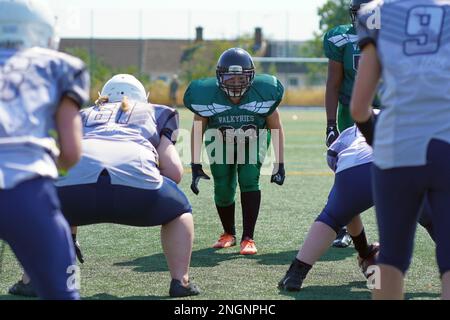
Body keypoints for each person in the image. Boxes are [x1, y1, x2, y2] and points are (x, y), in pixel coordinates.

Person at [9, 74, 200, 298]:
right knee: (180, 212)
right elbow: (174, 172)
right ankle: (181, 282)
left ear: (103, 97)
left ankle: (31, 279)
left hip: (75, 191)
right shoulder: (158, 112)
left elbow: (59, 162)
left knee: (45, 207)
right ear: (142, 98)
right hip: (136, 187)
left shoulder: (82, 114)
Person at [351, 0, 450, 299]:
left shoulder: (375, 13)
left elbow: (358, 107)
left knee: (391, 257)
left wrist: (376, 141)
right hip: (446, 145)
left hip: (396, 149)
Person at [0, 0, 90, 299]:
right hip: (26, 188)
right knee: (60, 292)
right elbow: (72, 150)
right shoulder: (60, 66)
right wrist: (57, 167)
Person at [279, 122, 435, 292]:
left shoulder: (347, 137)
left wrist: (364, 251)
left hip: (357, 167)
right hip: (405, 167)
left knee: (332, 217)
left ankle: (296, 273)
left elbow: (349, 210)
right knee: (434, 222)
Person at [184, 48, 285, 255]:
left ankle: (248, 237)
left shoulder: (264, 92)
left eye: (241, 77)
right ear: (220, 77)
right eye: (230, 77)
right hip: (220, 141)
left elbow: (275, 127)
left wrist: (279, 163)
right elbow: (196, 132)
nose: (236, 82)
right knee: (222, 185)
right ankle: (228, 233)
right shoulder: (207, 96)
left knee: (249, 178)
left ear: (251, 76)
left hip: (253, 139)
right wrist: (195, 165)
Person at [323, 0, 376, 248]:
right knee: (345, 171)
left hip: (388, 112)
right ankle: (343, 226)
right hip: (350, 112)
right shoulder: (341, 38)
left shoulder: (397, 37)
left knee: (400, 171)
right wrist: (331, 123)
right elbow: (334, 82)